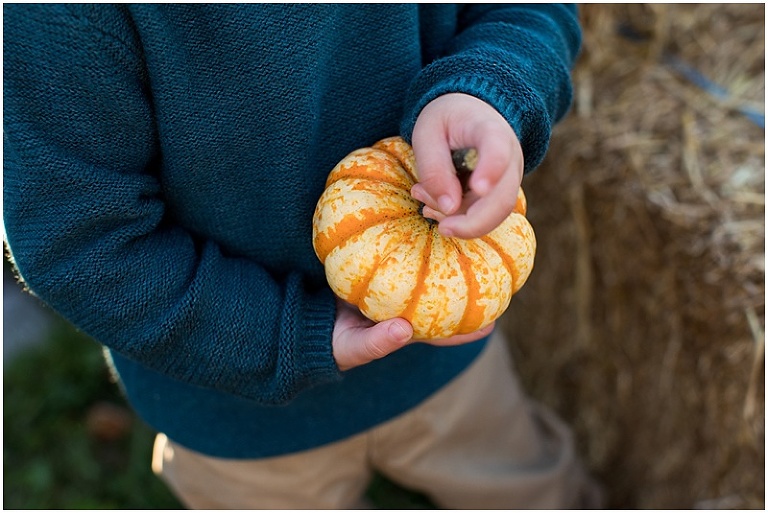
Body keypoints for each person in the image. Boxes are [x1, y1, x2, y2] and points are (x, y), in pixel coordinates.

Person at [4, 4, 601, 509]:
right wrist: (285, 336)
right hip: (237, 414)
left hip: (444, 366)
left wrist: (491, 87)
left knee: (532, 490)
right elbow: (81, 242)